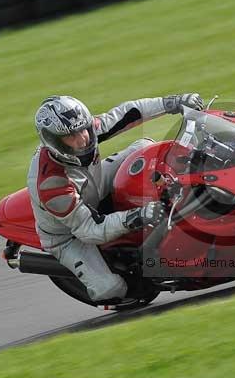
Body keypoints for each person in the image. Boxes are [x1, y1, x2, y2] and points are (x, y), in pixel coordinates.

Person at [27, 93, 204, 302]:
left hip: (92, 184)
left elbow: (129, 112)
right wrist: (138, 216)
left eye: (83, 129)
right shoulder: (51, 183)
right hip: (69, 233)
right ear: (54, 141)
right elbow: (89, 230)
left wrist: (172, 102)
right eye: (71, 136)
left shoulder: (87, 131)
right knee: (110, 290)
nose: (82, 139)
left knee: (144, 148)